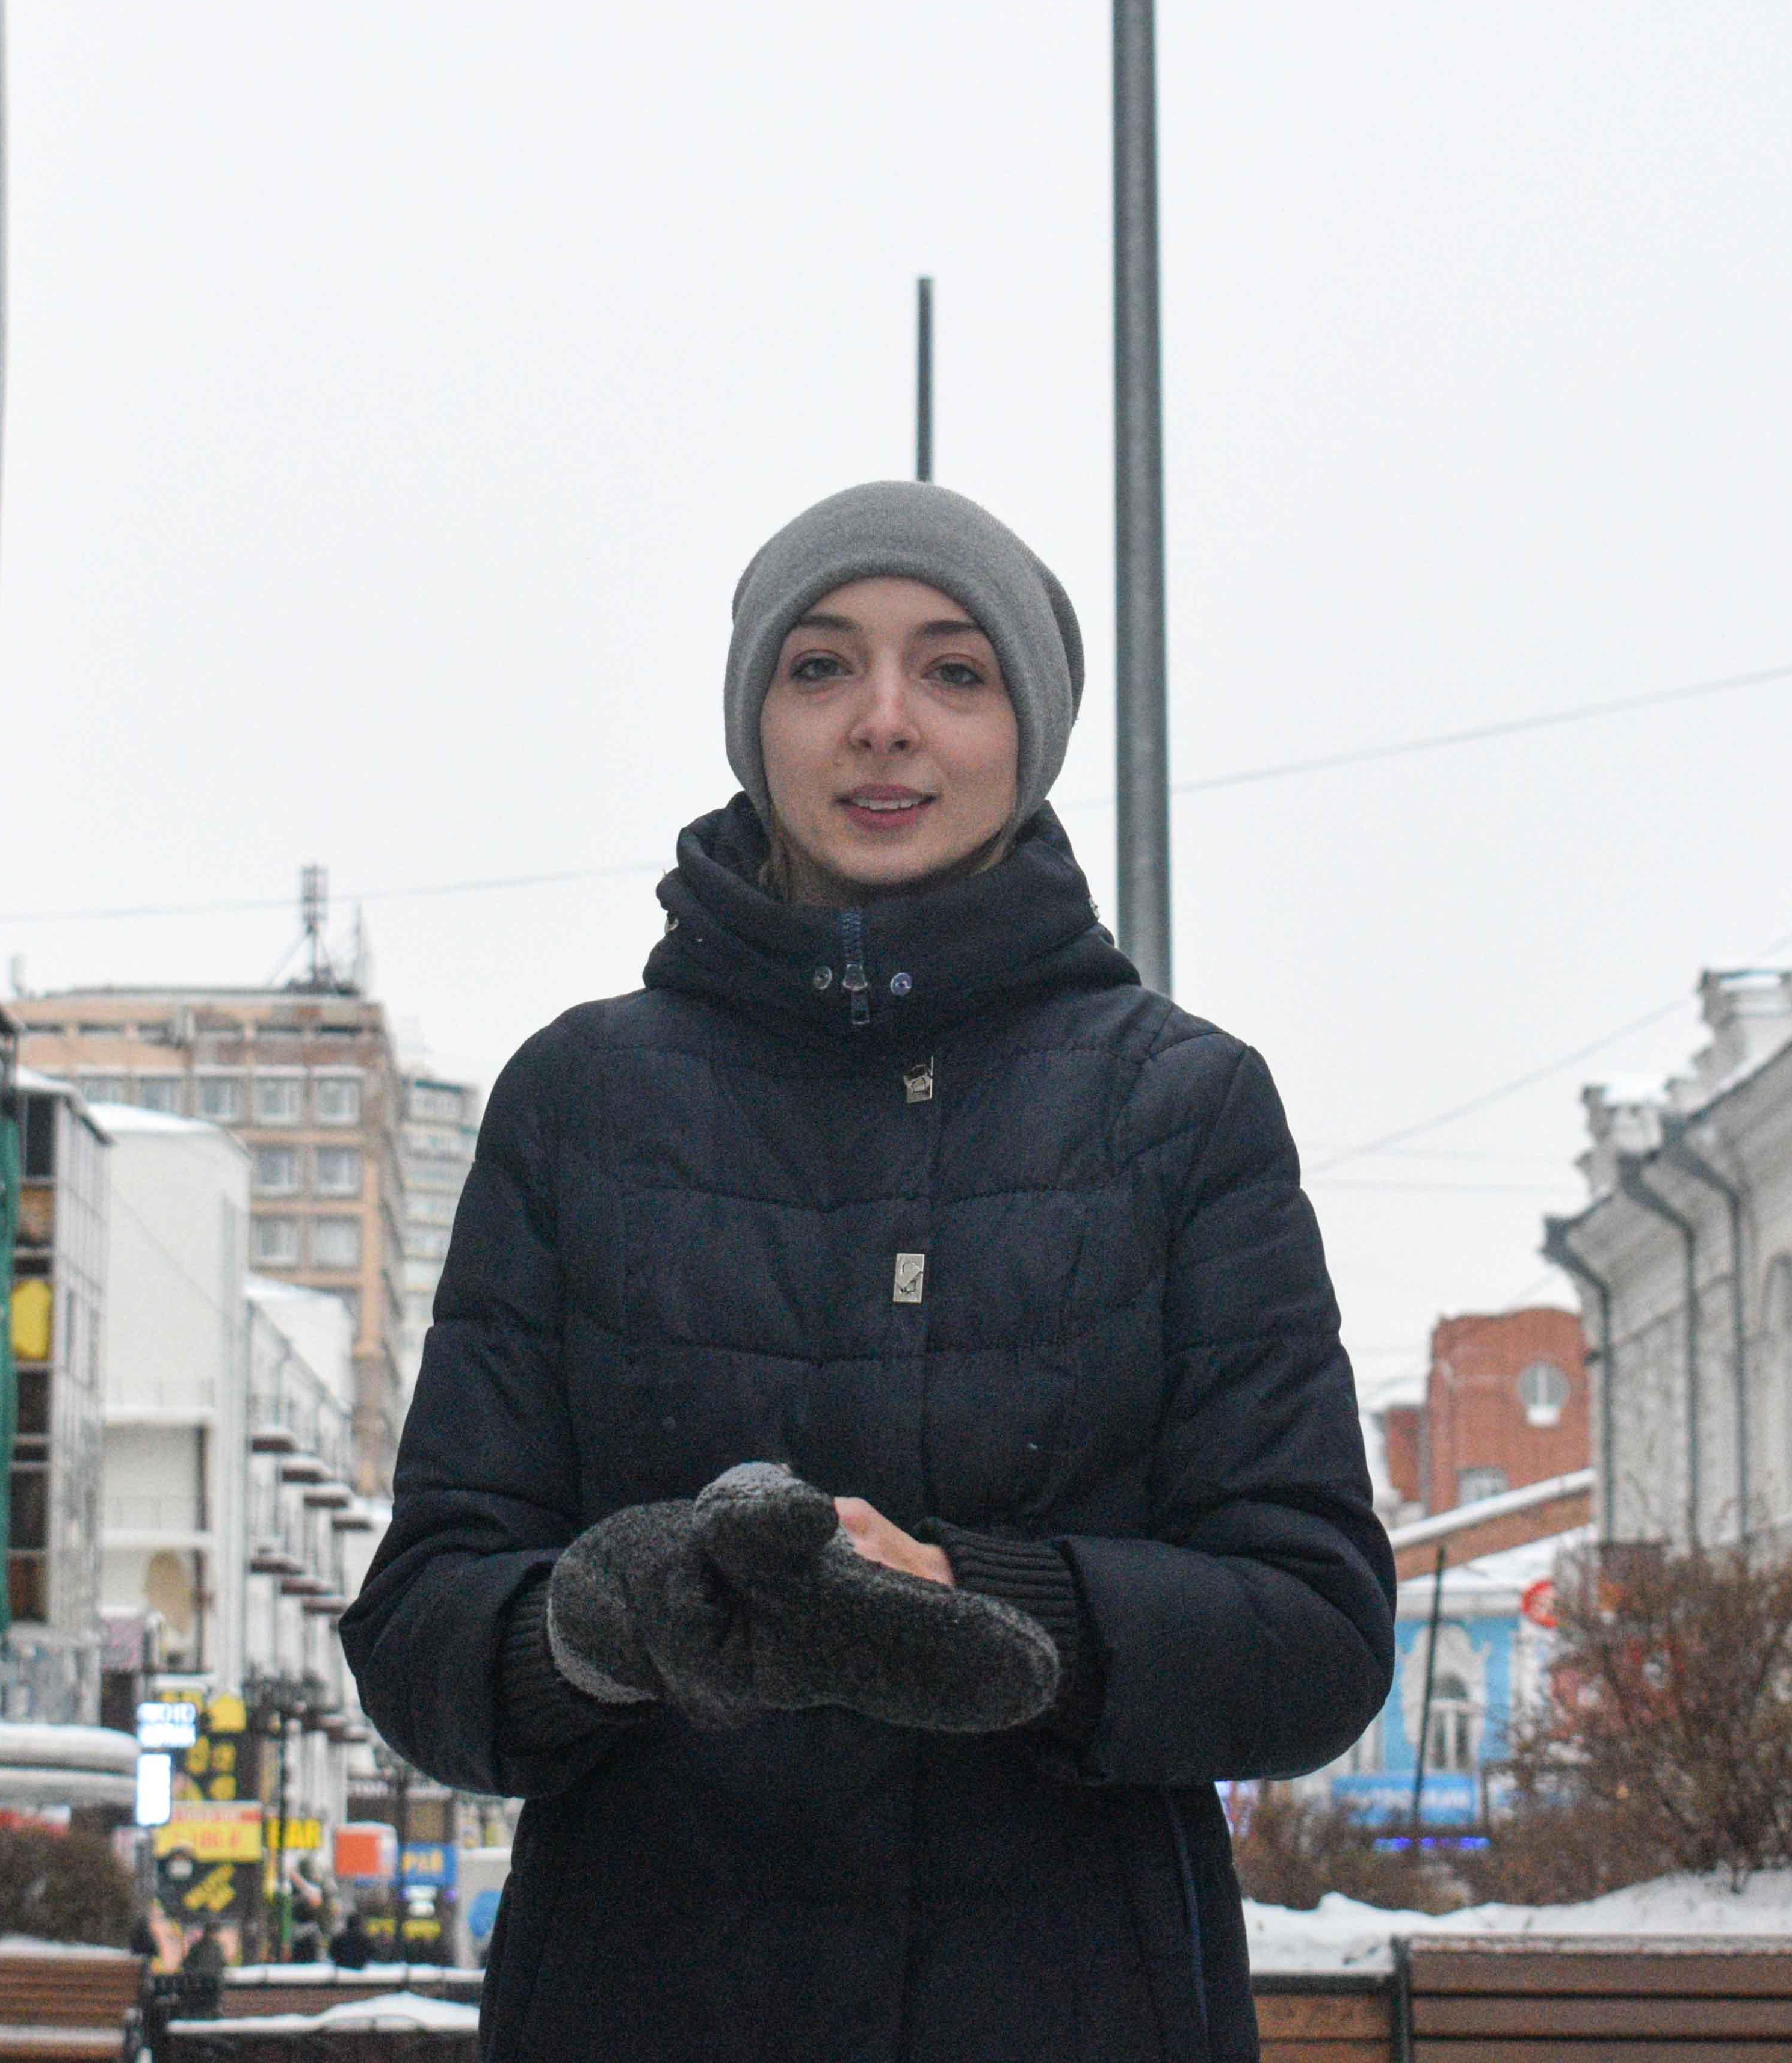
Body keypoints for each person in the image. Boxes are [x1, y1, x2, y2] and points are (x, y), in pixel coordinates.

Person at [342, 483, 1397, 2062]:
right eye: (822, 666)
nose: (884, 720)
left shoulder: (1183, 1108)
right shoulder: (580, 1101)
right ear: (755, 722)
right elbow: (422, 1626)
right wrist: (604, 1620)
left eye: (954, 671)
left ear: (1027, 734)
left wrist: (977, 1605)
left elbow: (1315, 1633)